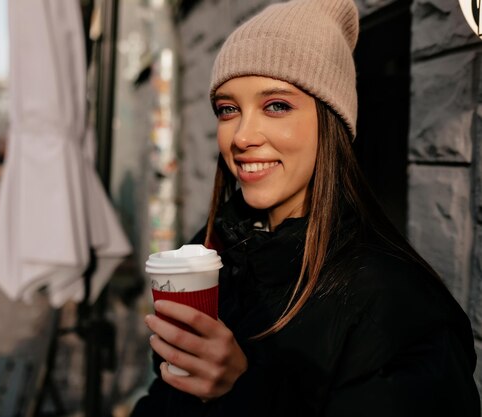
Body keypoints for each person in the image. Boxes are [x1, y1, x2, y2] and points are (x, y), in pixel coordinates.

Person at [131, 0, 480, 415]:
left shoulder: (399, 308)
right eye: (228, 109)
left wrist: (244, 390)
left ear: (332, 122)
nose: (242, 136)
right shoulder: (217, 249)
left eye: (276, 105)